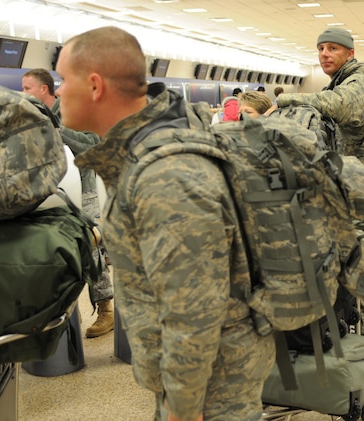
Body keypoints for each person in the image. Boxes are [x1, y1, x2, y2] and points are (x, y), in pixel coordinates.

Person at [56, 26, 274, 421]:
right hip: (203, 373)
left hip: (212, 384)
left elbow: (194, 304)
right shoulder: (149, 148)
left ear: (93, 85)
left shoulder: (165, 174)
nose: (57, 91)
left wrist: (182, 405)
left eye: (62, 79)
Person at [265, 27, 364, 337]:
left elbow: (340, 105)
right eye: (321, 48)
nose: (324, 54)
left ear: (350, 53)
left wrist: (285, 101)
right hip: (351, 188)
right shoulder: (345, 81)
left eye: (333, 48)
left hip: (360, 192)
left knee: (357, 258)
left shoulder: (358, 83)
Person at [22, 68, 115, 338]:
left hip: (86, 188)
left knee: (91, 246)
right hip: (51, 192)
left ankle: (105, 308)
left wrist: (59, 133)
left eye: (28, 88)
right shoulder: (31, 116)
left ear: (44, 90)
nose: (24, 92)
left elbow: (91, 146)